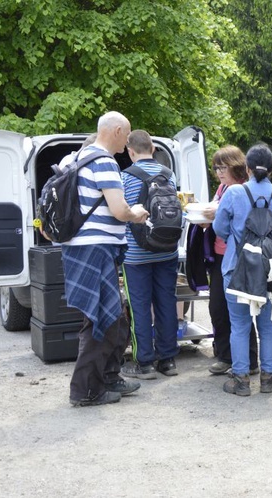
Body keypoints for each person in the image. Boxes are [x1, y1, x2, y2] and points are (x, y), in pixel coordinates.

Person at [64, 111, 149, 407]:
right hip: (96, 250)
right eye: (125, 135)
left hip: (82, 249)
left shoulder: (74, 159)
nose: (127, 142)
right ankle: (86, 391)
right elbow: (119, 210)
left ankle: (109, 376)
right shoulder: (103, 162)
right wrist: (136, 214)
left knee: (114, 318)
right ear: (115, 130)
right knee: (102, 320)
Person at [213, 144, 272, 396]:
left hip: (237, 270)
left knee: (239, 326)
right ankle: (269, 378)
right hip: (271, 272)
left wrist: (237, 239)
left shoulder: (234, 193)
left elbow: (219, 228)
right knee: (268, 326)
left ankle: (241, 381)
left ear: (247, 168)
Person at [119, 130, 180, 379]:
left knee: (140, 307)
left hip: (136, 256)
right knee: (166, 303)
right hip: (167, 251)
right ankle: (168, 361)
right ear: (153, 148)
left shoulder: (125, 177)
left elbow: (121, 214)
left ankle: (144, 364)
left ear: (130, 151)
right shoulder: (169, 175)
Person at [203, 146, 259, 376]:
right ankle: (226, 355)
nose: (218, 172)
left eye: (222, 167)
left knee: (240, 310)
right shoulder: (223, 187)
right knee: (217, 307)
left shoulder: (243, 189)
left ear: (236, 165)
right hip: (219, 255)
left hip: (238, 256)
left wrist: (216, 218)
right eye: (216, 167)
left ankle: (248, 361)